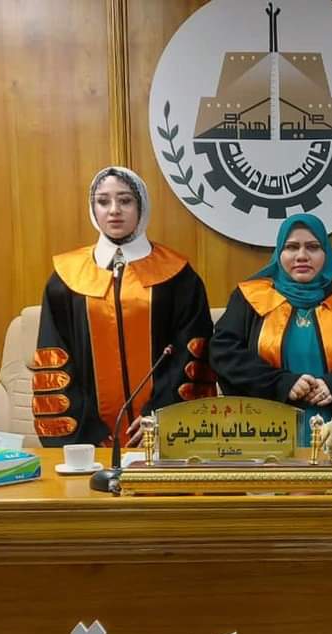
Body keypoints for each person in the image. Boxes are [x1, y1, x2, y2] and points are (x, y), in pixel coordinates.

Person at [33, 166, 216, 446]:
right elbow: (57, 359)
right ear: (92, 208)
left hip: (161, 437)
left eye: (126, 200)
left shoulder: (179, 277)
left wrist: (160, 416)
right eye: (103, 201)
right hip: (89, 440)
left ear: (142, 206)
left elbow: (189, 357)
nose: (114, 210)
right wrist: (88, 431)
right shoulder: (65, 280)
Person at [210, 213, 332, 443]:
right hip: (266, 433)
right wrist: (281, 384)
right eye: (292, 247)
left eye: (312, 247)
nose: (302, 256)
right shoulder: (249, 300)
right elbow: (223, 353)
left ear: (326, 253)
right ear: (279, 253)